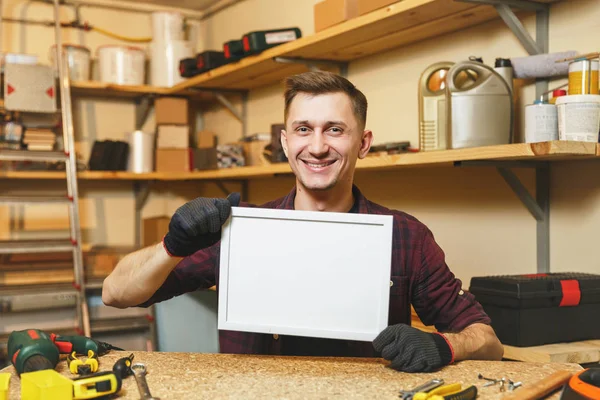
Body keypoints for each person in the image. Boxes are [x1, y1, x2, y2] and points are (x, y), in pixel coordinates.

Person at [103, 71, 504, 372]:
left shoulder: (406, 236)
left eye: (334, 130)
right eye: (303, 130)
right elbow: (116, 293)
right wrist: (173, 245)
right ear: (284, 142)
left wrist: (445, 347)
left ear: (363, 143)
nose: (316, 147)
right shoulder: (240, 229)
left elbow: (487, 341)